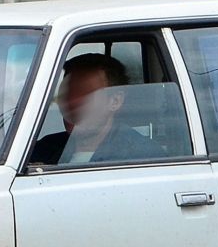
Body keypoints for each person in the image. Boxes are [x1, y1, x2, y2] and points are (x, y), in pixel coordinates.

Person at [29, 53, 159, 166]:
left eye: (85, 95)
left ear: (115, 101)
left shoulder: (142, 157)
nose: (72, 103)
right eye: (67, 94)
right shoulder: (43, 150)